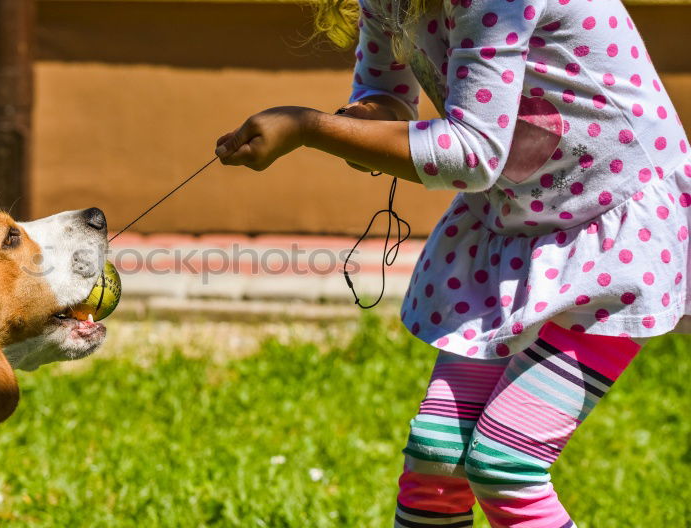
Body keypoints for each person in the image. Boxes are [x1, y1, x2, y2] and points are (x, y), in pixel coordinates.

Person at [214, 0, 690, 525]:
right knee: (436, 458)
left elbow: (473, 154)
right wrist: (352, 125)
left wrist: (309, 129)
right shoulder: (391, 2)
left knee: (506, 466)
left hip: (614, 233)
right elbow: (386, 101)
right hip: (518, 230)